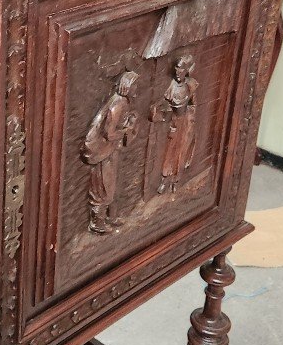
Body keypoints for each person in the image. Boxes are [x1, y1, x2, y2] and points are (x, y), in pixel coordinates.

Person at [81, 70, 139, 235]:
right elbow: (109, 133)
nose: (136, 89)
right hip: (103, 151)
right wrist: (127, 130)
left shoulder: (125, 103)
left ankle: (109, 217)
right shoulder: (118, 105)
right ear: (127, 87)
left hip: (111, 150)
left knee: (110, 183)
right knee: (102, 186)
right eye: (134, 85)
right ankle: (97, 223)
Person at [151, 53, 198, 194]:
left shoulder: (191, 85)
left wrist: (190, 120)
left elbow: (193, 104)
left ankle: (176, 180)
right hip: (174, 123)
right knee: (170, 152)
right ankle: (164, 180)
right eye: (176, 69)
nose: (178, 73)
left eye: (181, 70)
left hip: (186, 123)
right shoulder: (172, 86)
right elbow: (164, 105)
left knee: (182, 151)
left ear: (187, 71)